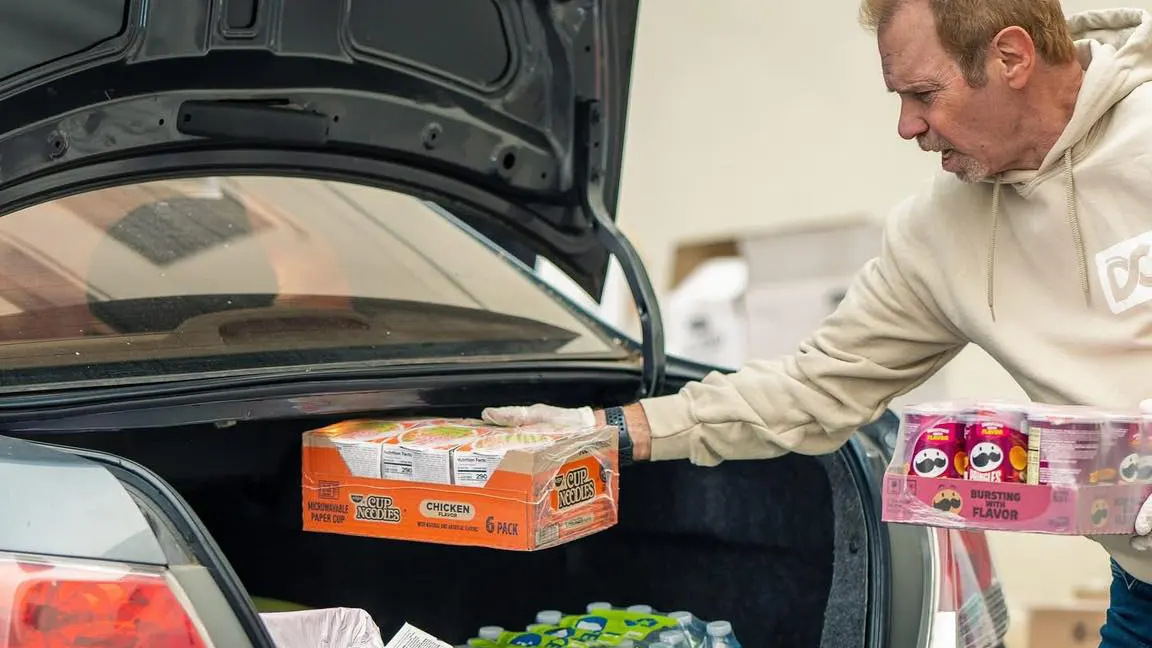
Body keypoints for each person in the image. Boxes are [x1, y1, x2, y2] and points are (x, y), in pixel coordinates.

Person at [482, 1, 1152, 645]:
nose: (907, 126)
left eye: (923, 93)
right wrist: (611, 429)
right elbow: (813, 388)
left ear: (1011, 56)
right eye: (898, 97)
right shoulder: (939, 236)